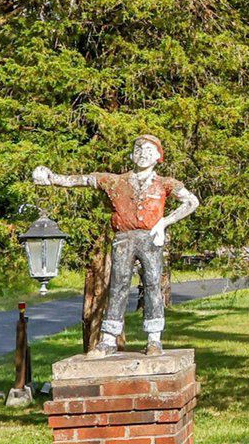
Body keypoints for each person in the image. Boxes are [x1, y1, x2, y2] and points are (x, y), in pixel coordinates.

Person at [33, 134, 200, 355]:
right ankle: (109, 338)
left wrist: (164, 222)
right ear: (132, 155)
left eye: (149, 151)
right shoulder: (115, 181)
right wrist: (53, 178)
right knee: (118, 285)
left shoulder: (164, 183)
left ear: (159, 156)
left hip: (151, 238)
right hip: (123, 238)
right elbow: (83, 180)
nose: (143, 155)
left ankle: (154, 338)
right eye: (139, 150)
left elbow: (191, 201)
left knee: (152, 284)